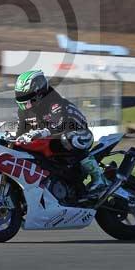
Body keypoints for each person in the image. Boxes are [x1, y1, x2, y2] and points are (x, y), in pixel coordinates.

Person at [13, 69, 108, 199]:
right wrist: (13, 140)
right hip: (53, 139)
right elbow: (21, 131)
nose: (23, 100)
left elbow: (60, 125)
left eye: (26, 96)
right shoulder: (24, 110)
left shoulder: (53, 102)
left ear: (39, 93)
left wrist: (42, 132)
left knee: (68, 139)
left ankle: (99, 178)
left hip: (79, 134)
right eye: (20, 96)